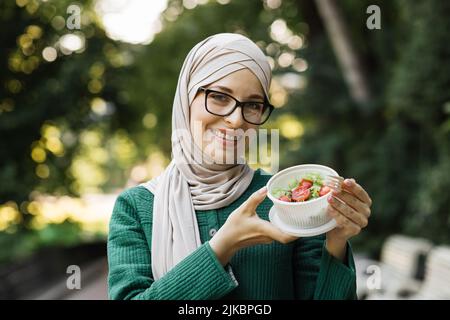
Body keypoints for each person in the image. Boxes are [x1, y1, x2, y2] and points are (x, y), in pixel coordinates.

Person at [107, 33, 372, 300]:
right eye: (220, 97)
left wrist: (336, 240)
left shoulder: (285, 203)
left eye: (253, 104)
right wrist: (222, 246)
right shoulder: (135, 208)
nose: (236, 119)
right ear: (187, 98)